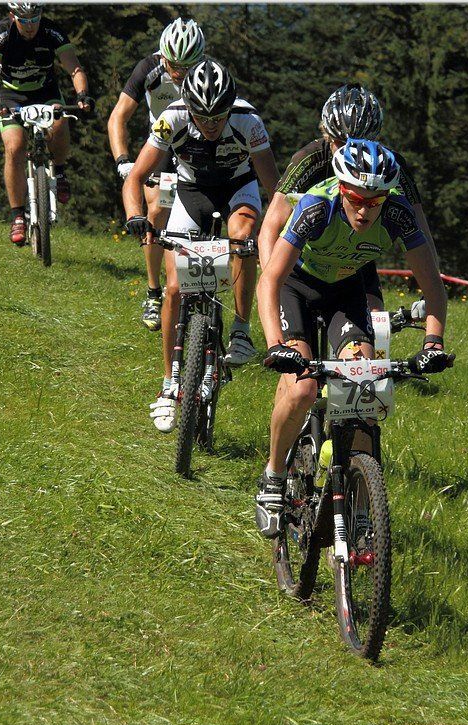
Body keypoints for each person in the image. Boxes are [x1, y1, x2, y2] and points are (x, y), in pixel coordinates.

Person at [254, 139, 451, 539]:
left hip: (345, 291)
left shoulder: (397, 214)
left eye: (374, 201)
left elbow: (433, 287)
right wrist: (276, 345)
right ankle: (273, 476)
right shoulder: (316, 207)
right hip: (296, 287)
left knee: (364, 387)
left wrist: (433, 343)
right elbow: (269, 281)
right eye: (357, 199)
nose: (365, 210)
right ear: (342, 188)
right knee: (302, 389)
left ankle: (359, 499)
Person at [122, 58, 281, 433]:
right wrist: (135, 215)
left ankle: (241, 329)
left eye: (218, 117)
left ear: (230, 108)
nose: (210, 125)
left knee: (242, 236)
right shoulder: (172, 118)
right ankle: (168, 384)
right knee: (175, 288)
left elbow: (274, 187)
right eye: (202, 117)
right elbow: (136, 176)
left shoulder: (248, 121)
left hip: (238, 188)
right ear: (188, 107)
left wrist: (279, 231)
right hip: (191, 191)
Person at [257, 83, 439, 314]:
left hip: (356, 256)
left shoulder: (389, 166)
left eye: (359, 143)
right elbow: (271, 225)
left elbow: (420, 228)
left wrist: (428, 291)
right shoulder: (310, 158)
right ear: (326, 134)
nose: (349, 151)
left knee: (375, 319)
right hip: (304, 254)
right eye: (341, 143)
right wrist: (272, 286)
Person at [108, 17, 206, 331]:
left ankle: (202, 287)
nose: (179, 73)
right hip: (162, 147)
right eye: (173, 65)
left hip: (199, 147)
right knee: (157, 211)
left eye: (187, 67)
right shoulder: (147, 69)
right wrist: (124, 161)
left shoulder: (209, 73)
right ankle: (153, 291)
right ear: (163, 56)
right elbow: (118, 117)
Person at [0, 2, 94, 245]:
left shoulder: (52, 31)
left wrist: (82, 94)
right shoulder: (1, 33)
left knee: (59, 123)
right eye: (24, 20)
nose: (30, 26)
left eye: (35, 19)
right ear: (12, 16)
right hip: (11, 96)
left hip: (46, 93)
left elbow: (74, 67)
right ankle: (17, 215)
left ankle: (59, 172)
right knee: (14, 147)